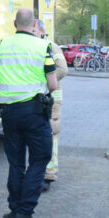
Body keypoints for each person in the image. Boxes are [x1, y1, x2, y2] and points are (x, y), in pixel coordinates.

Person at [0, 8, 57, 218]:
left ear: (15, 23)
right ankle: (24, 215)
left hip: (9, 113)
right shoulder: (43, 47)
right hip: (34, 112)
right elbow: (52, 84)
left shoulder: (2, 45)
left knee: (15, 163)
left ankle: (14, 211)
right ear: (33, 25)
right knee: (40, 159)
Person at [32, 19, 67, 192]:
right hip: (40, 98)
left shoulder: (51, 47)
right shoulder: (34, 47)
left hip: (51, 99)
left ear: (41, 31)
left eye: (33, 31)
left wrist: (44, 84)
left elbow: (62, 69)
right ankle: (39, 172)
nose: (31, 34)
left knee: (51, 134)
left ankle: (49, 175)